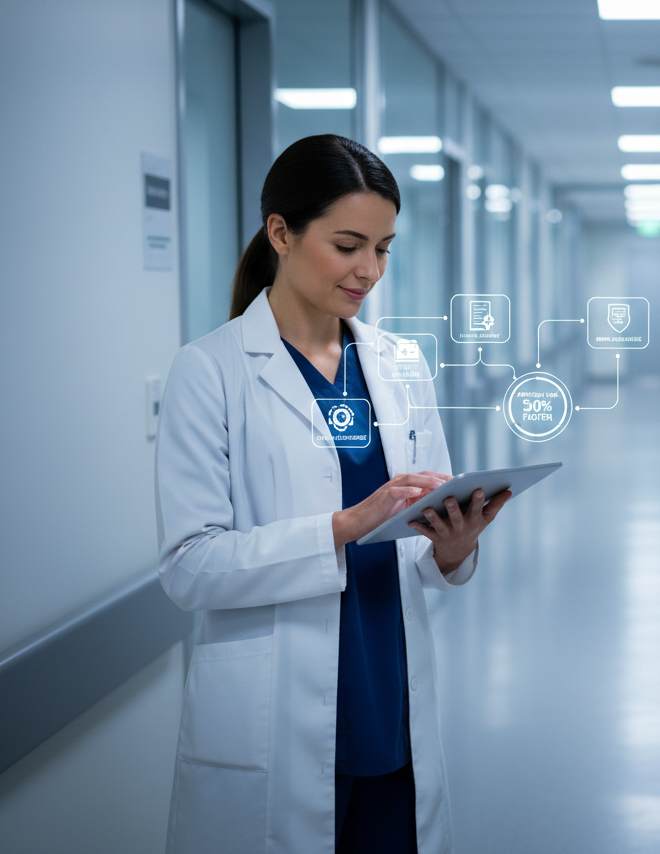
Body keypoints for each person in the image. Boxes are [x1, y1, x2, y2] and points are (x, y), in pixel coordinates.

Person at [156, 134, 511, 854]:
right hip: (278, 700)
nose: (369, 270)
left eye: (383, 248)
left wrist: (454, 546)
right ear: (281, 233)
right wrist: (344, 525)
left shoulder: (399, 363)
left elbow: (421, 536)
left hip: (387, 683)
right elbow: (190, 567)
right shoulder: (209, 372)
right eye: (349, 245)